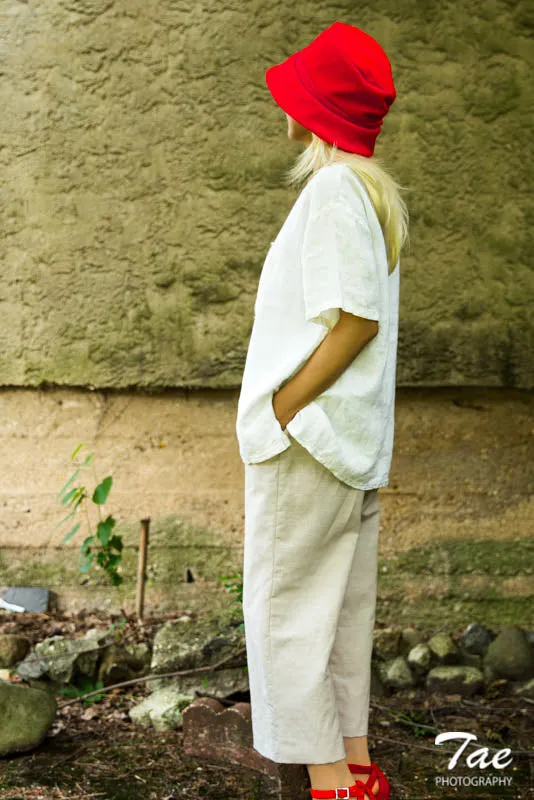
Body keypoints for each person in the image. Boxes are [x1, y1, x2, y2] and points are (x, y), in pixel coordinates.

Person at [236, 21, 409, 800]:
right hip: (344, 442)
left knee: (287, 613)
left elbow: (356, 319)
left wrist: (282, 405)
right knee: (337, 611)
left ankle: (333, 783)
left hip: (309, 441)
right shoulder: (366, 193)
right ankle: (357, 765)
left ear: (315, 111)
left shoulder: (336, 190)